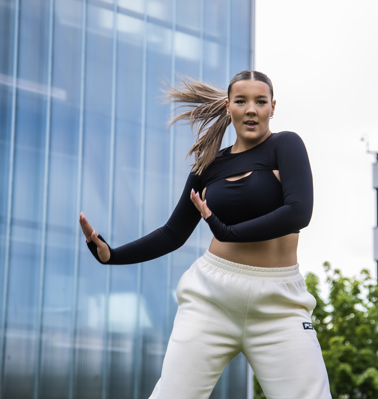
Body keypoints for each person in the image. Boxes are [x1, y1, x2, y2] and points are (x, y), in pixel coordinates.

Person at [79, 70, 331, 399]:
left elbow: (299, 211)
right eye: (241, 101)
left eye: (260, 101)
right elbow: (173, 233)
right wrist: (112, 255)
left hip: (280, 303)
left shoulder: (286, 145)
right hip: (212, 297)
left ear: (272, 107)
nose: (251, 109)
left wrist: (228, 232)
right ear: (229, 107)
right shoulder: (208, 165)